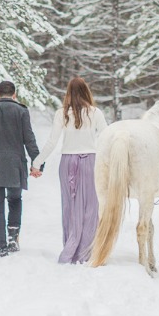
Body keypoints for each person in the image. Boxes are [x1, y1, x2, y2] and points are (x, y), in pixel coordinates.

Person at [32, 76, 107, 264]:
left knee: (70, 207)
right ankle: (86, 251)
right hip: (90, 162)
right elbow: (107, 138)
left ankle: (70, 247)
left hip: (67, 163)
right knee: (91, 207)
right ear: (86, 92)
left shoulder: (62, 113)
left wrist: (36, 163)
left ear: (68, 93)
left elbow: (52, 142)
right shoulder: (96, 113)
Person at [0, 80, 41, 257]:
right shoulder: (21, 111)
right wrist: (37, 163)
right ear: (14, 95)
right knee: (15, 200)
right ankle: (13, 238)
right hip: (15, 165)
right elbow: (29, 139)